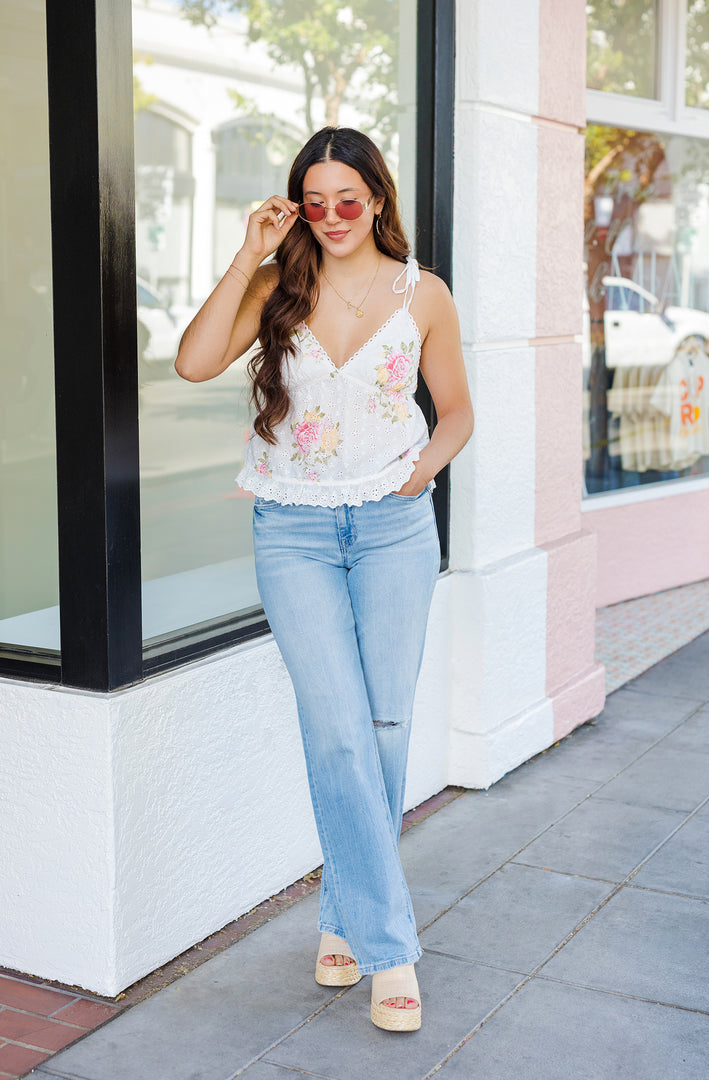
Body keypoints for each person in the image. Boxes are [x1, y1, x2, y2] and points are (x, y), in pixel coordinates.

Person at [175, 126, 473, 1032]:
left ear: (377, 199)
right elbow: (193, 362)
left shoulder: (422, 293)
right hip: (293, 531)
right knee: (338, 730)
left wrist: (422, 471)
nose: (333, 216)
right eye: (316, 202)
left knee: (382, 728)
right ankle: (392, 950)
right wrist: (247, 255)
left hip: (393, 528)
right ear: (298, 206)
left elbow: (457, 411)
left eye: (349, 200)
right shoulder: (279, 282)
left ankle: (344, 918)